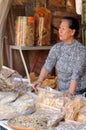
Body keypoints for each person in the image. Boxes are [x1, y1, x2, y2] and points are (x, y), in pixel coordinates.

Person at [33, 16, 86, 95]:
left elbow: (76, 74)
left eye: (63, 29)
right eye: (60, 28)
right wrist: (39, 80)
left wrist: (70, 93)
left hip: (79, 92)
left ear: (72, 32)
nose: (60, 31)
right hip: (62, 91)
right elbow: (48, 65)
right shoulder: (57, 48)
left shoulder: (81, 50)